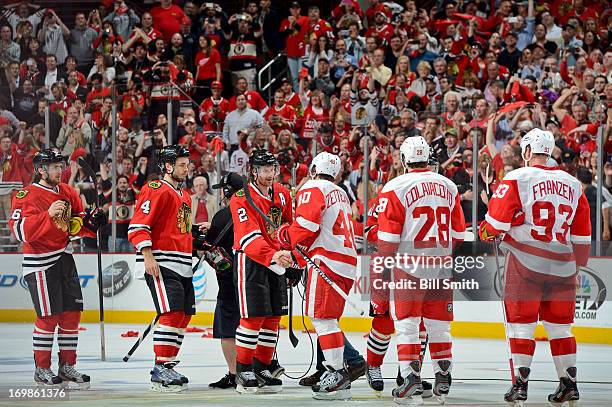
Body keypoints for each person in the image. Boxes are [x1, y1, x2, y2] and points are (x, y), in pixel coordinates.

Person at [479, 129, 591, 406]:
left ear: (527, 151)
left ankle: (520, 384)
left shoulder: (518, 177)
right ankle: (569, 384)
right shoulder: (573, 183)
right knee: (561, 329)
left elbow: (495, 226)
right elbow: (582, 234)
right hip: (563, 266)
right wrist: (577, 266)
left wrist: (487, 229)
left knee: (521, 326)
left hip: (526, 264)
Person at [376, 136, 465, 404]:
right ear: (428, 157)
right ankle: (442, 380)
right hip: (441, 266)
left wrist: (383, 266)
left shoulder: (395, 186)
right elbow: (459, 233)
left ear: (404, 160)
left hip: (408, 266)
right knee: (439, 328)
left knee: (407, 326)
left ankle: (410, 380)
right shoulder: (449, 185)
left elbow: (389, 240)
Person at [9, 149, 104, 388]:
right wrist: (47, 216)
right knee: (48, 317)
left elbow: (76, 228)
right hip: (40, 263)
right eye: (54, 167)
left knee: (71, 317)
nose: (59, 170)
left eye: (60, 166)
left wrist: (92, 222)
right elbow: (19, 232)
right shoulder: (25, 194)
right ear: (41, 170)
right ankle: (42, 369)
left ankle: (67, 366)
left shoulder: (69, 192)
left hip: (65, 259)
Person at [276, 152, 357, 400]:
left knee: (323, 320)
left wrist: (283, 236)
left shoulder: (312, 187)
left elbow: (307, 227)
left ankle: (336, 373)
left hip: (326, 261)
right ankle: (338, 371)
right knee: (328, 319)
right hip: (344, 261)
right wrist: (299, 260)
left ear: (312, 169)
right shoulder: (340, 191)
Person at [127, 145, 195, 392]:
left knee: (183, 315)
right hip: (161, 262)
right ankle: (161, 368)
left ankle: (168, 365)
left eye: (187, 164)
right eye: (181, 165)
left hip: (183, 264)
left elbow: (180, 229)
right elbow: (138, 226)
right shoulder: (155, 189)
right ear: (167, 166)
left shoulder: (184, 195)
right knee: (171, 313)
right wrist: (147, 256)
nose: (186, 169)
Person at [229, 149, 294, 394]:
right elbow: (248, 236)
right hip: (252, 261)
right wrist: (273, 255)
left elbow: (289, 227)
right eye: (265, 170)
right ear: (253, 171)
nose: (270, 174)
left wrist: (292, 256)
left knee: (272, 318)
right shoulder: (241, 197)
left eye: (272, 169)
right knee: (253, 317)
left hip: (278, 261)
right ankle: (243, 368)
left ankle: (261, 366)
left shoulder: (284, 194)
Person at [206, 173, 244, 389]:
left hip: (228, 280)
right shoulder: (252, 212)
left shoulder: (221, 215)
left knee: (227, 329)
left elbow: (209, 244)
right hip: (249, 279)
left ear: (228, 192)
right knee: (251, 326)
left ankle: (234, 373)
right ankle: (256, 370)